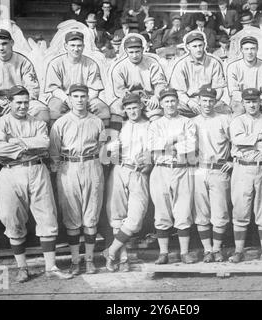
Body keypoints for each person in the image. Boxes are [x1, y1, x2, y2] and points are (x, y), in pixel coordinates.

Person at [0, 85, 72, 283]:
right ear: (9, 103)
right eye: (18, 103)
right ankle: (22, 268)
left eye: (26, 102)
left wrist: (16, 142)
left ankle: (51, 267)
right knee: (12, 218)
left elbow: (44, 144)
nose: (23, 106)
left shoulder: (38, 122)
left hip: (37, 169)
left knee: (47, 217)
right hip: (10, 172)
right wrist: (27, 145)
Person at [0, 29, 49, 174]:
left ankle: (38, 151)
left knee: (41, 110)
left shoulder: (23, 60)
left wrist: (18, 102)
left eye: (5, 43)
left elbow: (33, 89)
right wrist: (2, 103)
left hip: (20, 98)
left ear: (12, 43)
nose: (1, 48)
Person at [49, 84, 107, 275]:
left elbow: (103, 148)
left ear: (88, 98)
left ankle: (89, 260)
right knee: (72, 217)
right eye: (76, 96)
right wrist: (60, 170)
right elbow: (54, 152)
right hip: (69, 167)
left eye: (83, 96)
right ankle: (75, 261)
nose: (80, 100)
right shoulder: (61, 123)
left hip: (92, 165)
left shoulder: (97, 121)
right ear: (70, 98)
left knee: (91, 216)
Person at [229, 88, 262, 263]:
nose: (252, 105)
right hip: (242, 168)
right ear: (243, 103)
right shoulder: (237, 121)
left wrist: (249, 142)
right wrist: (260, 138)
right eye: (248, 101)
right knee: (240, 209)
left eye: (255, 101)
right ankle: (238, 251)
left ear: (260, 102)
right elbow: (237, 140)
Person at [148, 87, 197, 265]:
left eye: (172, 101)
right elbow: (153, 146)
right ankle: (163, 253)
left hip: (182, 168)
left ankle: (184, 252)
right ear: (161, 104)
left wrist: (168, 143)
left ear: (178, 102)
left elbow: (190, 146)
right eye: (166, 101)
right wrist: (177, 139)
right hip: (161, 168)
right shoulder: (155, 124)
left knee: (183, 210)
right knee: (162, 211)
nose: (170, 104)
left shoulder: (187, 122)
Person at [105, 93, 151, 272]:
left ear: (141, 107)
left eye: (135, 107)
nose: (132, 111)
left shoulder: (150, 125)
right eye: (129, 108)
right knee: (117, 217)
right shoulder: (119, 126)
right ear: (124, 109)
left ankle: (110, 252)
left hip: (139, 173)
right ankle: (123, 259)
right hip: (119, 169)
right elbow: (107, 151)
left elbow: (155, 150)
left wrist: (149, 160)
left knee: (135, 219)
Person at [193, 86, 232, 263]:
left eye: (210, 100)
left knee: (220, 212)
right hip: (199, 168)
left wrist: (233, 160)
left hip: (219, 168)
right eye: (204, 100)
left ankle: (217, 249)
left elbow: (237, 143)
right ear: (199, 101)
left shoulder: (224, 119)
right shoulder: (192, 121)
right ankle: (207, 249)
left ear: (215, 102)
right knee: (201, 213)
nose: (207, 104)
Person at [44, 31, 110, 127]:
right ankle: (56, 138)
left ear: (83, 46)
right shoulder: (56, 63)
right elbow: (54, 89)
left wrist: (83, 100)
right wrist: (67, 100)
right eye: (72, 45)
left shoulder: (91, 64)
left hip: (85, 98)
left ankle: (103, 138)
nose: (76, 49)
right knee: (55, 107)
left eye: (79, 45)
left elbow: (94, 89)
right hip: (63, 97)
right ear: (66, 46)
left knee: (101, 108)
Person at [109, 35, 167, 135]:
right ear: (126, 51)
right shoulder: (119, 66)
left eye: (137, 51)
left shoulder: (152, 63)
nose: (134, 55)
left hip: (148, 97)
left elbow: (160, 83)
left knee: (156, 111)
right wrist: (133, 100)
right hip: (127, 98)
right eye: (131, 52)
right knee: (116, 108)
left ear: (142, 49)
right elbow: (119, 90)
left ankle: (157, 141)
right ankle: (114, 138)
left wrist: (156, 96)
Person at [170, 32, 227, 117]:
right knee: (174, 110)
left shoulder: (214, 62)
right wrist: (190, 102)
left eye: (200, 45)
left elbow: (219, 88)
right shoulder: (181, 64)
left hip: (209, 100)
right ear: (188, 47)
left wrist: (209, 102)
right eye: (194, 46)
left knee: (226, 110)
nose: (198, 49)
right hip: (189, 102)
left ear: (204, 45)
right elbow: (179, 91)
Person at [226, 36, 262, 119]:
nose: (249, 52)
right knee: (238, 110)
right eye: (246, 49)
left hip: (261, 100)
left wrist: (258, 102)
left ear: (257, 49)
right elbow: (233, 91)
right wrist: (247, 103)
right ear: (241, 50)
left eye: (252, 49)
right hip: (241, 100)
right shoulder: (233, 67)